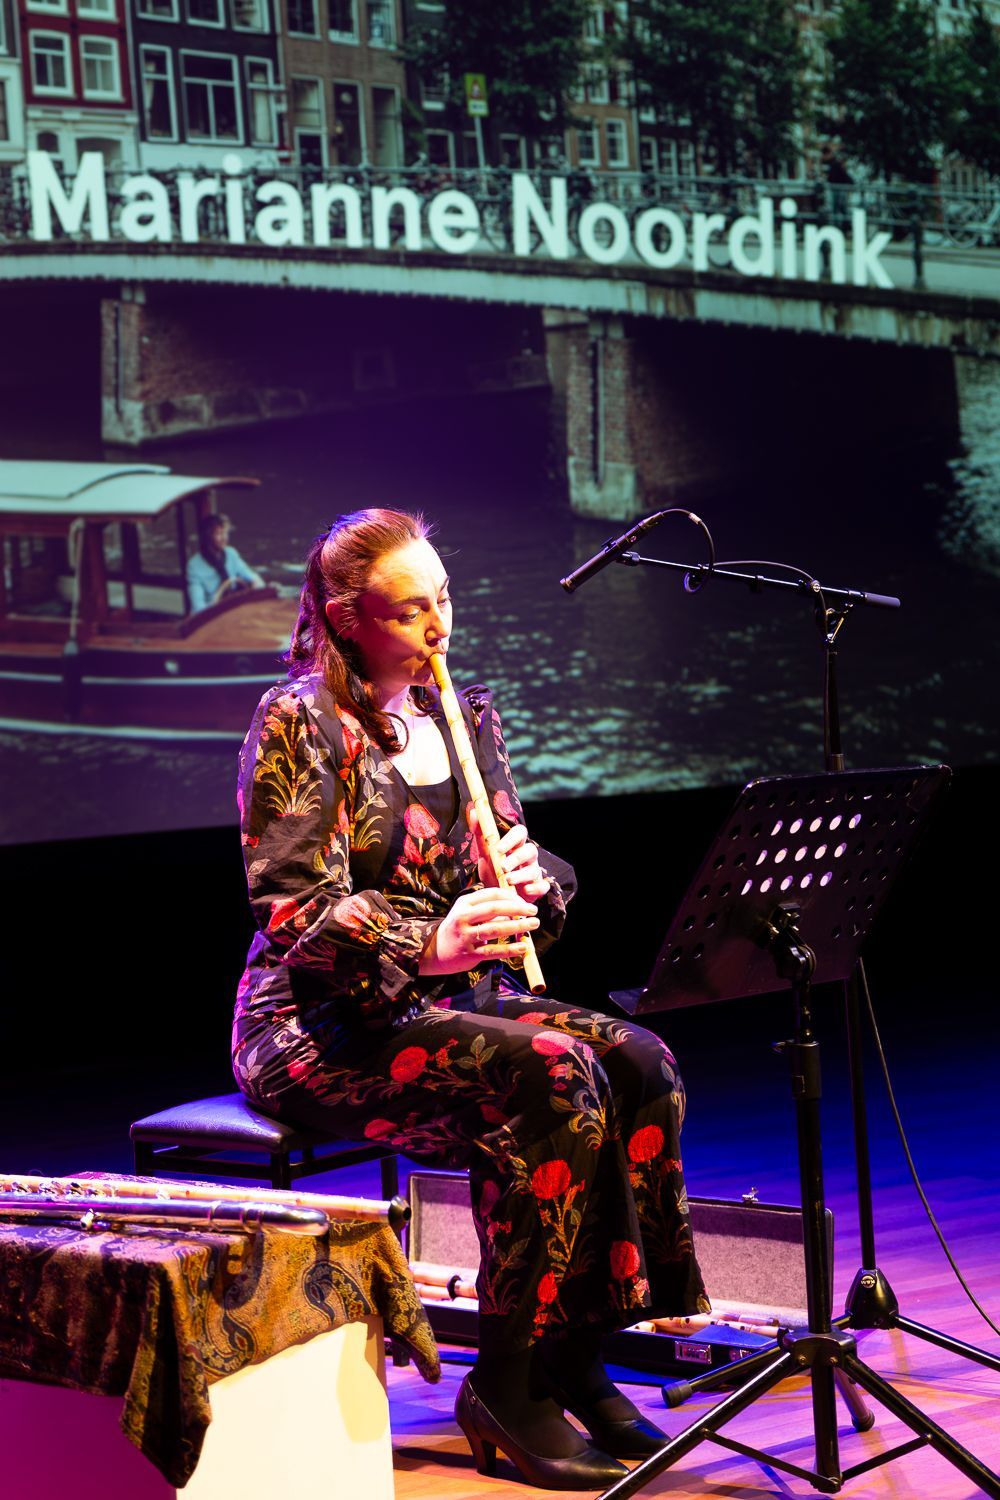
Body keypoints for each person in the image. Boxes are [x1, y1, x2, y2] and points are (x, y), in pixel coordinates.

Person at [231, 508, 709, 1490]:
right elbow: (290, 912)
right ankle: (506, 1380)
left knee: (638, 1060)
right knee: (549, 1075)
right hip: (320, 1024)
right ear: (345, 617)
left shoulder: (468, 713)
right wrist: (428, 940)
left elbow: (509, 857)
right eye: (410, 611)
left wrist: (541, 881)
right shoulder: (301, 723)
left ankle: (579, 1349)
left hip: (448, 1002)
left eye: (443, 600)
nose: (436, 627)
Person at [186, 513, 264, 614]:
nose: (224, 538)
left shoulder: (231, 554)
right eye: (219, 534)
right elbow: (198, 608)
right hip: (212, 617)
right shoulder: (194, 566)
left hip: (235, 611)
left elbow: (251, 576)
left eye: (226, 533)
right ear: (207, 537)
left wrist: (256, 583)